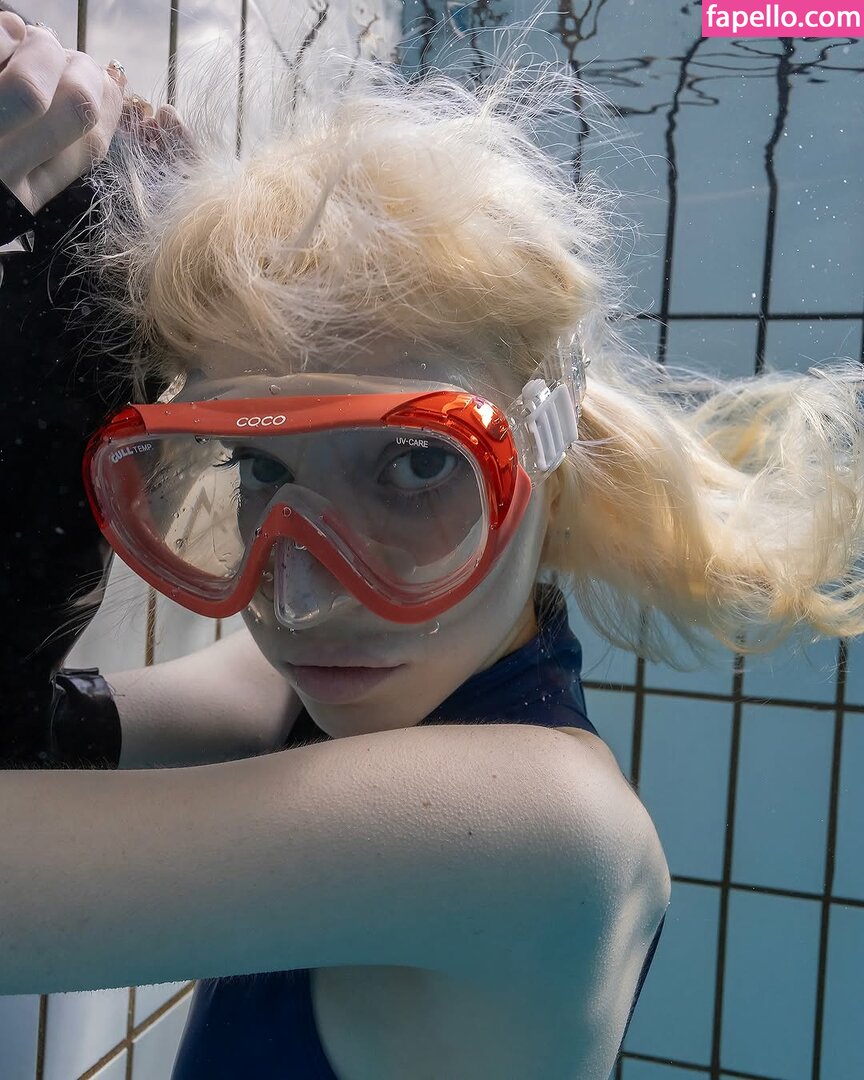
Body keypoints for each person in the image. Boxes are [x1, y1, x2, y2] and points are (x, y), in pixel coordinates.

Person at [1, 9, 861, 1079]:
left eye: (414, 467)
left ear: (546, 451)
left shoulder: (546, 837)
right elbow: (31, 739)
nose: (304, 596)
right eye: (260, 470)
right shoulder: (309, 690)